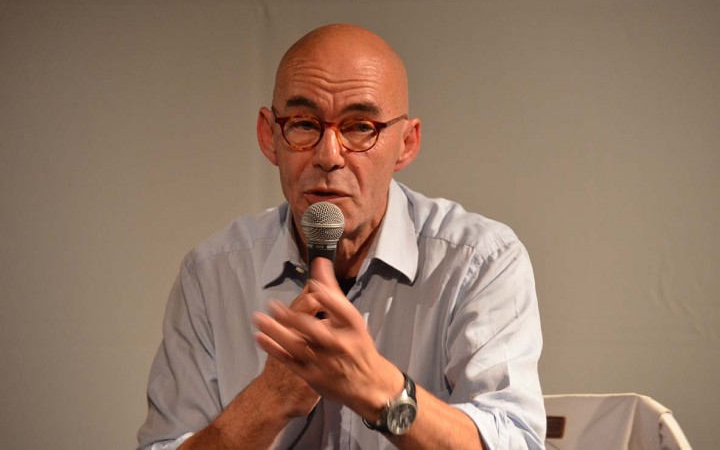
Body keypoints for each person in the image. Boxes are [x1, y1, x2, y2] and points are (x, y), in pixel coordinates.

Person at [137, 24, 545, 450]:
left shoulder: (479, 261)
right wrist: (267, 400)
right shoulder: (212, 274)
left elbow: (515, 441)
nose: (329, 156)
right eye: (303, 124)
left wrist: (379, 390)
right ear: (269, 135)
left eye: (359, 127)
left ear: (406, 143)